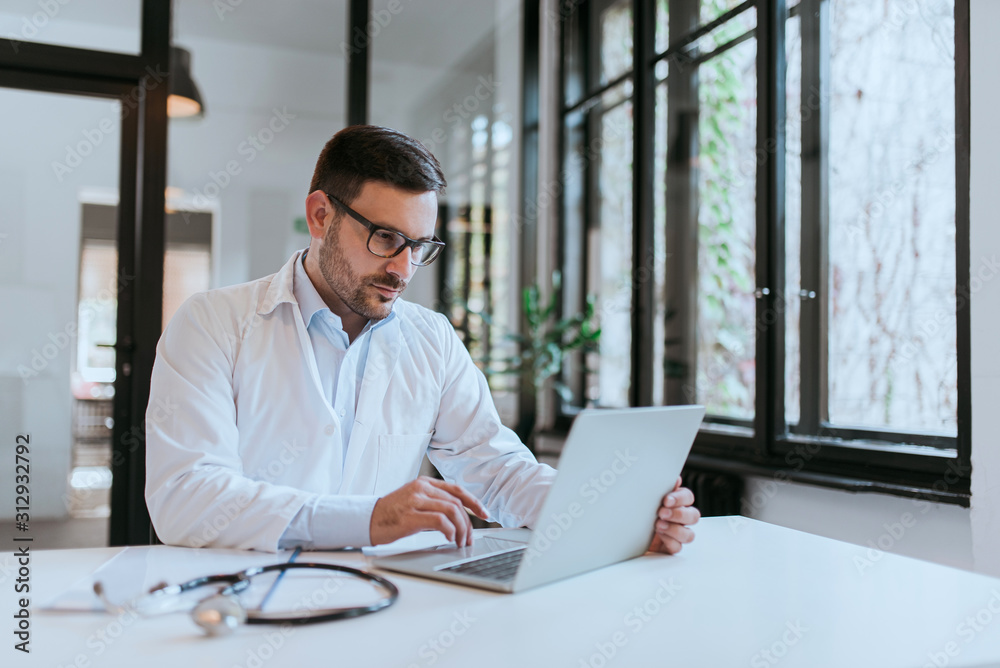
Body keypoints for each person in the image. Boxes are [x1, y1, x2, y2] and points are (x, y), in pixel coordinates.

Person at [145, 125, 700, 553]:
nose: (405, 269)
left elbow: (496, 469)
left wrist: (613, 514)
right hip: (245, 608)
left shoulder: (430, 339)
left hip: (386, 605)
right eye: (386, 238)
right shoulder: (213, 324)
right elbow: (186, 496)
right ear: (320, 215)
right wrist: (369, 518)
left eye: (420, 245)